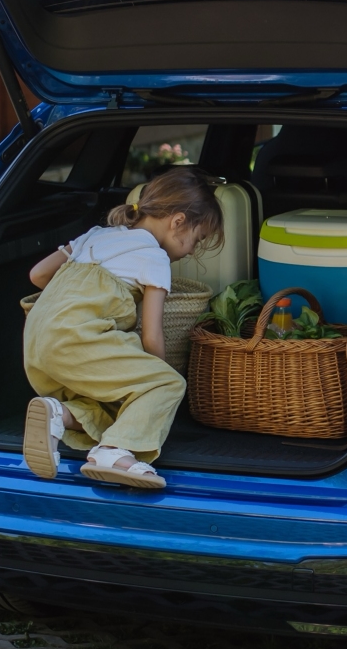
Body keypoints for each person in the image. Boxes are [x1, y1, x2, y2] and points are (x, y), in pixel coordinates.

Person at [22, 167, 224, 490]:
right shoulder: (153, 258)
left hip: (35, 343)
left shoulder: (96, 235)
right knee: (166, 384)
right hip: (78, 341)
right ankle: (115, 452)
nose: (191, 251)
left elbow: (37, 275)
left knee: (113, 409)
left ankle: (57, 414)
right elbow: (152, 336)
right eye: (196, 241)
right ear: (178, 222)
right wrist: (155, 384)